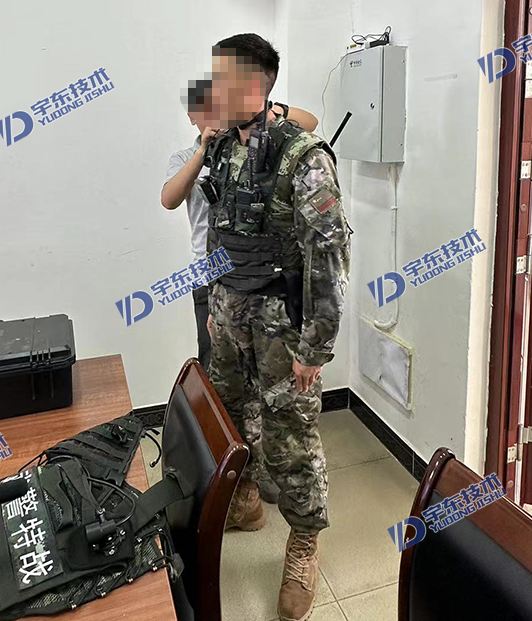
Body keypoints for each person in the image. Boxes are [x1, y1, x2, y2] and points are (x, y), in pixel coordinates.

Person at [199, 33, 351, 621]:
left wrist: (315, 348)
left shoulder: (304, 157)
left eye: (222, 80)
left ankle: (304, 543)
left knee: (290, 436)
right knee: (232, 417)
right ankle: (244, 502)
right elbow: (219, 234)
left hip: (282, 325)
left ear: (255, 86)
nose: (212, 90)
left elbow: (328, 258)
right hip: (230, 316)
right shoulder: (221, 149)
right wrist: (216, 305)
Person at [160, 94, 319, 505]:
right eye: (202, 111)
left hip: (263, 284)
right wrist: (203, 150)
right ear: (192, 117)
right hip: (211, 280)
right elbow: (170, 198)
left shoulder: (255, 147)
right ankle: (233, 476)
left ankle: (266, 471)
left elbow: (310, 123)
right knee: (224, 386)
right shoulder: (188, 157)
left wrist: (271, 110)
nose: (213, 116)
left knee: (270, 386)